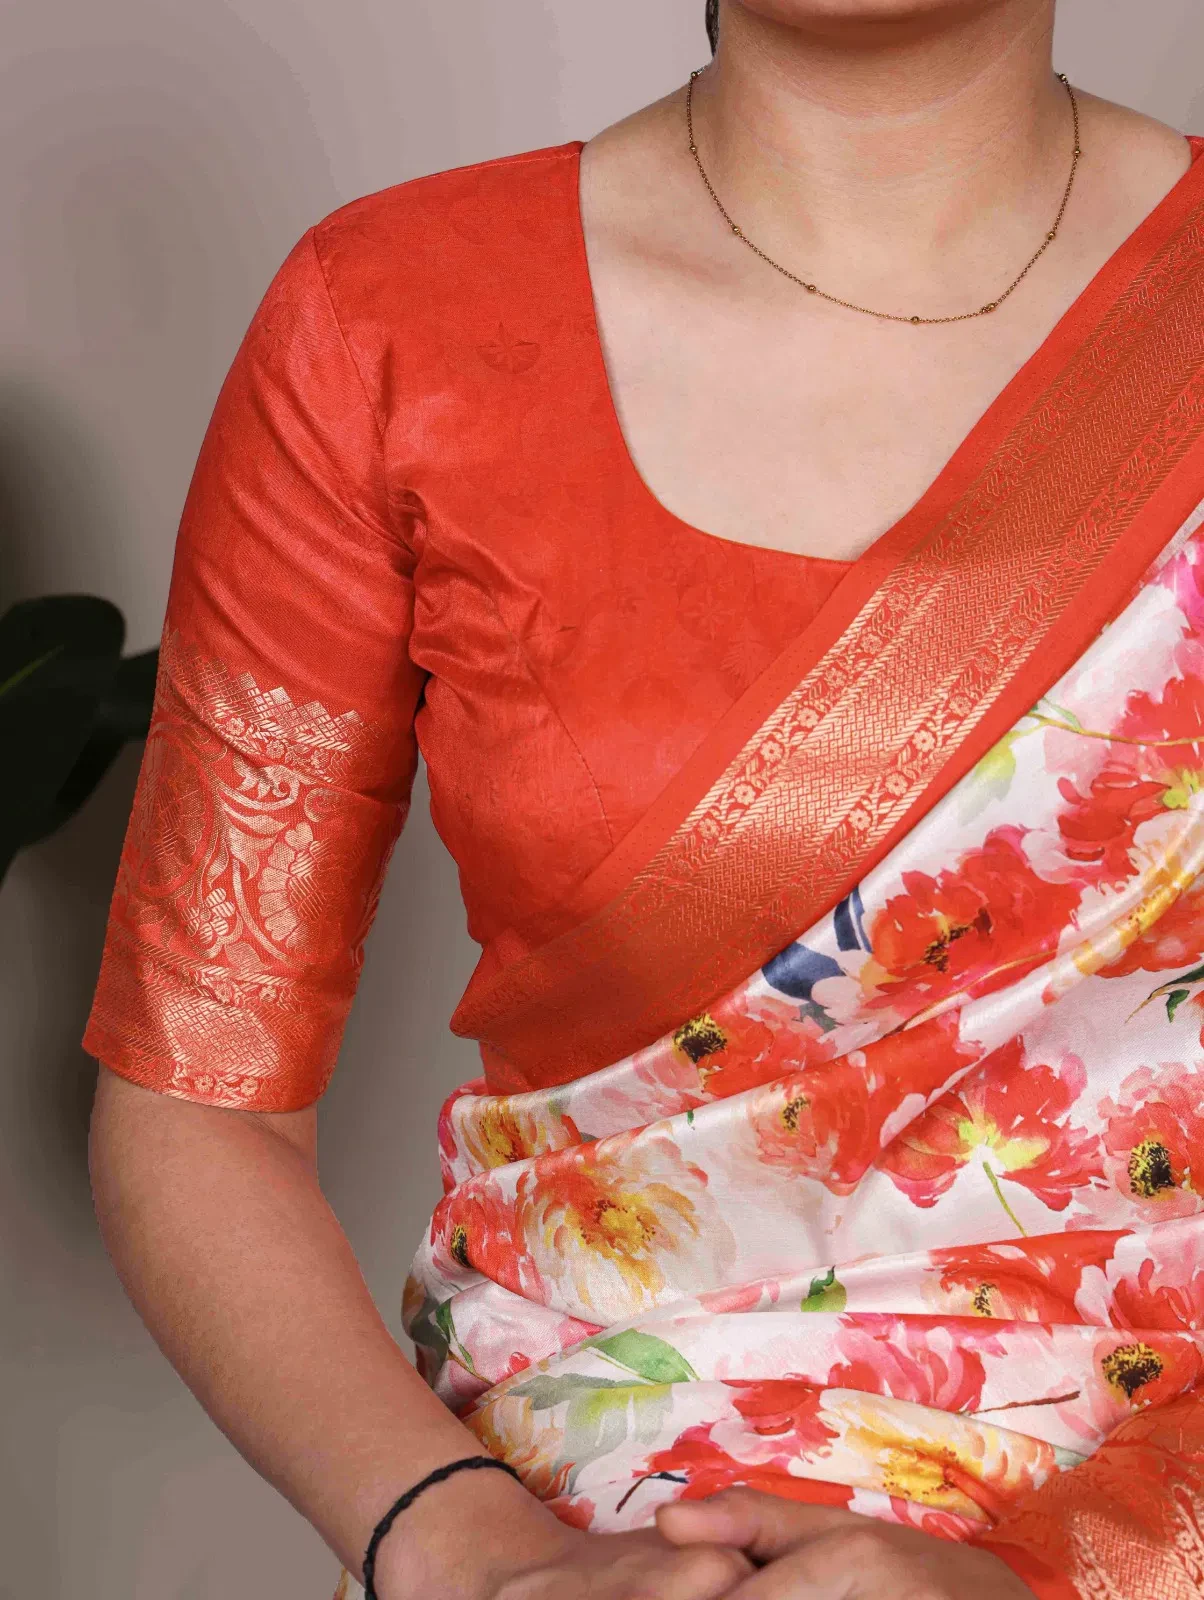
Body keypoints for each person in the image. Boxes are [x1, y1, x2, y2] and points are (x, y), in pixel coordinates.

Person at [85, 0, 1204, 1594]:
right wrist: (483, 1556)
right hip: (578, 1522)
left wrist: (1070, 1575)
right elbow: (199, 1110)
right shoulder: (390, 325)